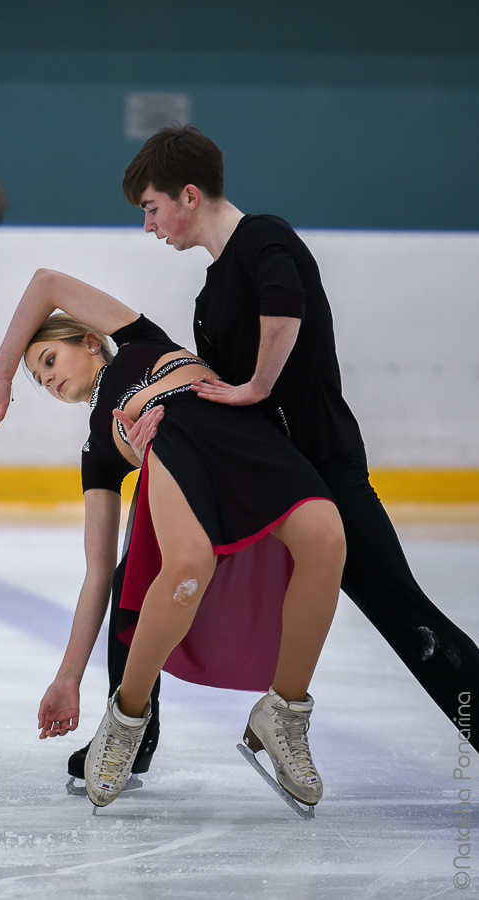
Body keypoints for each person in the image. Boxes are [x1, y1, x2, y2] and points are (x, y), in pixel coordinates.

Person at [108, 123, 478, 767]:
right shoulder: (209, 296)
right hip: (267, 478)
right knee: (137, 577)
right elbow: (215, 400)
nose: (149, 226)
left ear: (189, 195)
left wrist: (258, 385)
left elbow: (286, 305)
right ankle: (130, 733)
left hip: (323, 465)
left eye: (151, 207)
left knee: (401, 610)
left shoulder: (263, 238)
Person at [0, 269, 346, 809]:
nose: (47, 381)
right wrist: (68, 679)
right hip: (173, 441)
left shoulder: (139, 340)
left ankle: (283, 712)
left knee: (327, 539)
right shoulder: (96, 453)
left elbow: (46, 283)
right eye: (37, 379)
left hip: (239, 430)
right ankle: (126, 720)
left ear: (90, 340)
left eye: (49, 361)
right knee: (188, 567)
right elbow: (99, 573)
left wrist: (2, 372)